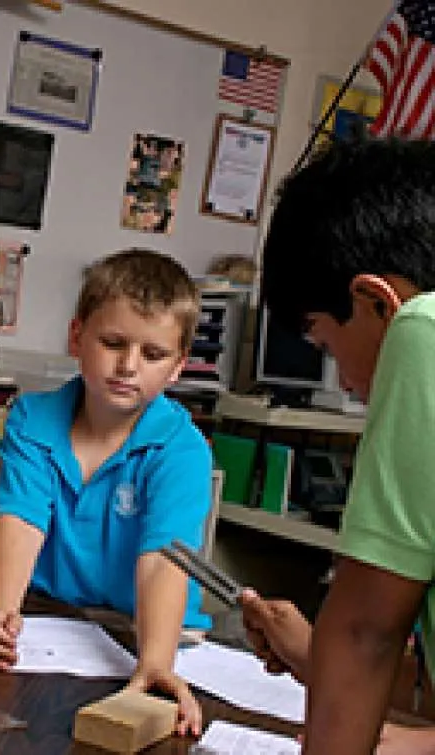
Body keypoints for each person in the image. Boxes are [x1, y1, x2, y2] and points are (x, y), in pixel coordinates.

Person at [240, 136, 435, 755]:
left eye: (326, 346)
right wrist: (312, 653)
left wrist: (337, 649)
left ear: (377, 301)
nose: (348, 386)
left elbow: (365, 634)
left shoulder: (424, 331)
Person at [0, 249, 212, 735]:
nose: (128, 366)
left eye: (152, 354)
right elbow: (20, 519)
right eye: (113, 343)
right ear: (77, 337)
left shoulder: (183, 450)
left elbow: (165, 558)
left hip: (149, 630)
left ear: (178, 367)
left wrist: (156, 662)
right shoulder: (32, 420)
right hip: (52, 619)